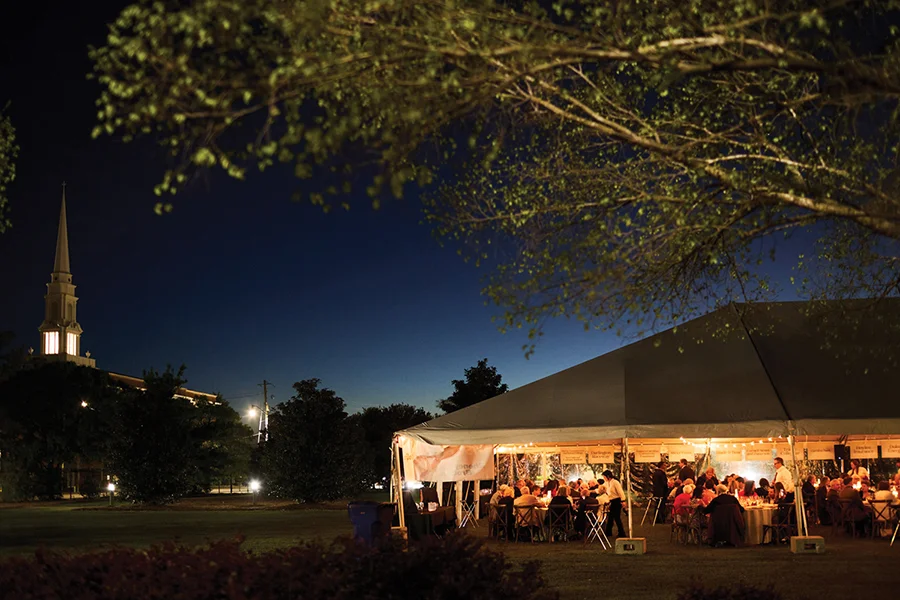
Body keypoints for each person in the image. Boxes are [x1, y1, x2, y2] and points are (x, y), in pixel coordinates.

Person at [601, 470, 627, 538]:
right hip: (611, 501)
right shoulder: (606, 483)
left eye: (604, 477)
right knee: (611, 517)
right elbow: (601, 489)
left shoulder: (615, 482)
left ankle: (620, 533)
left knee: (616, 517)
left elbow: (620, 492)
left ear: (608, 476)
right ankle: (609, 532)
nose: (604, 478)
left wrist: (623, 500)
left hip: (617, 501)